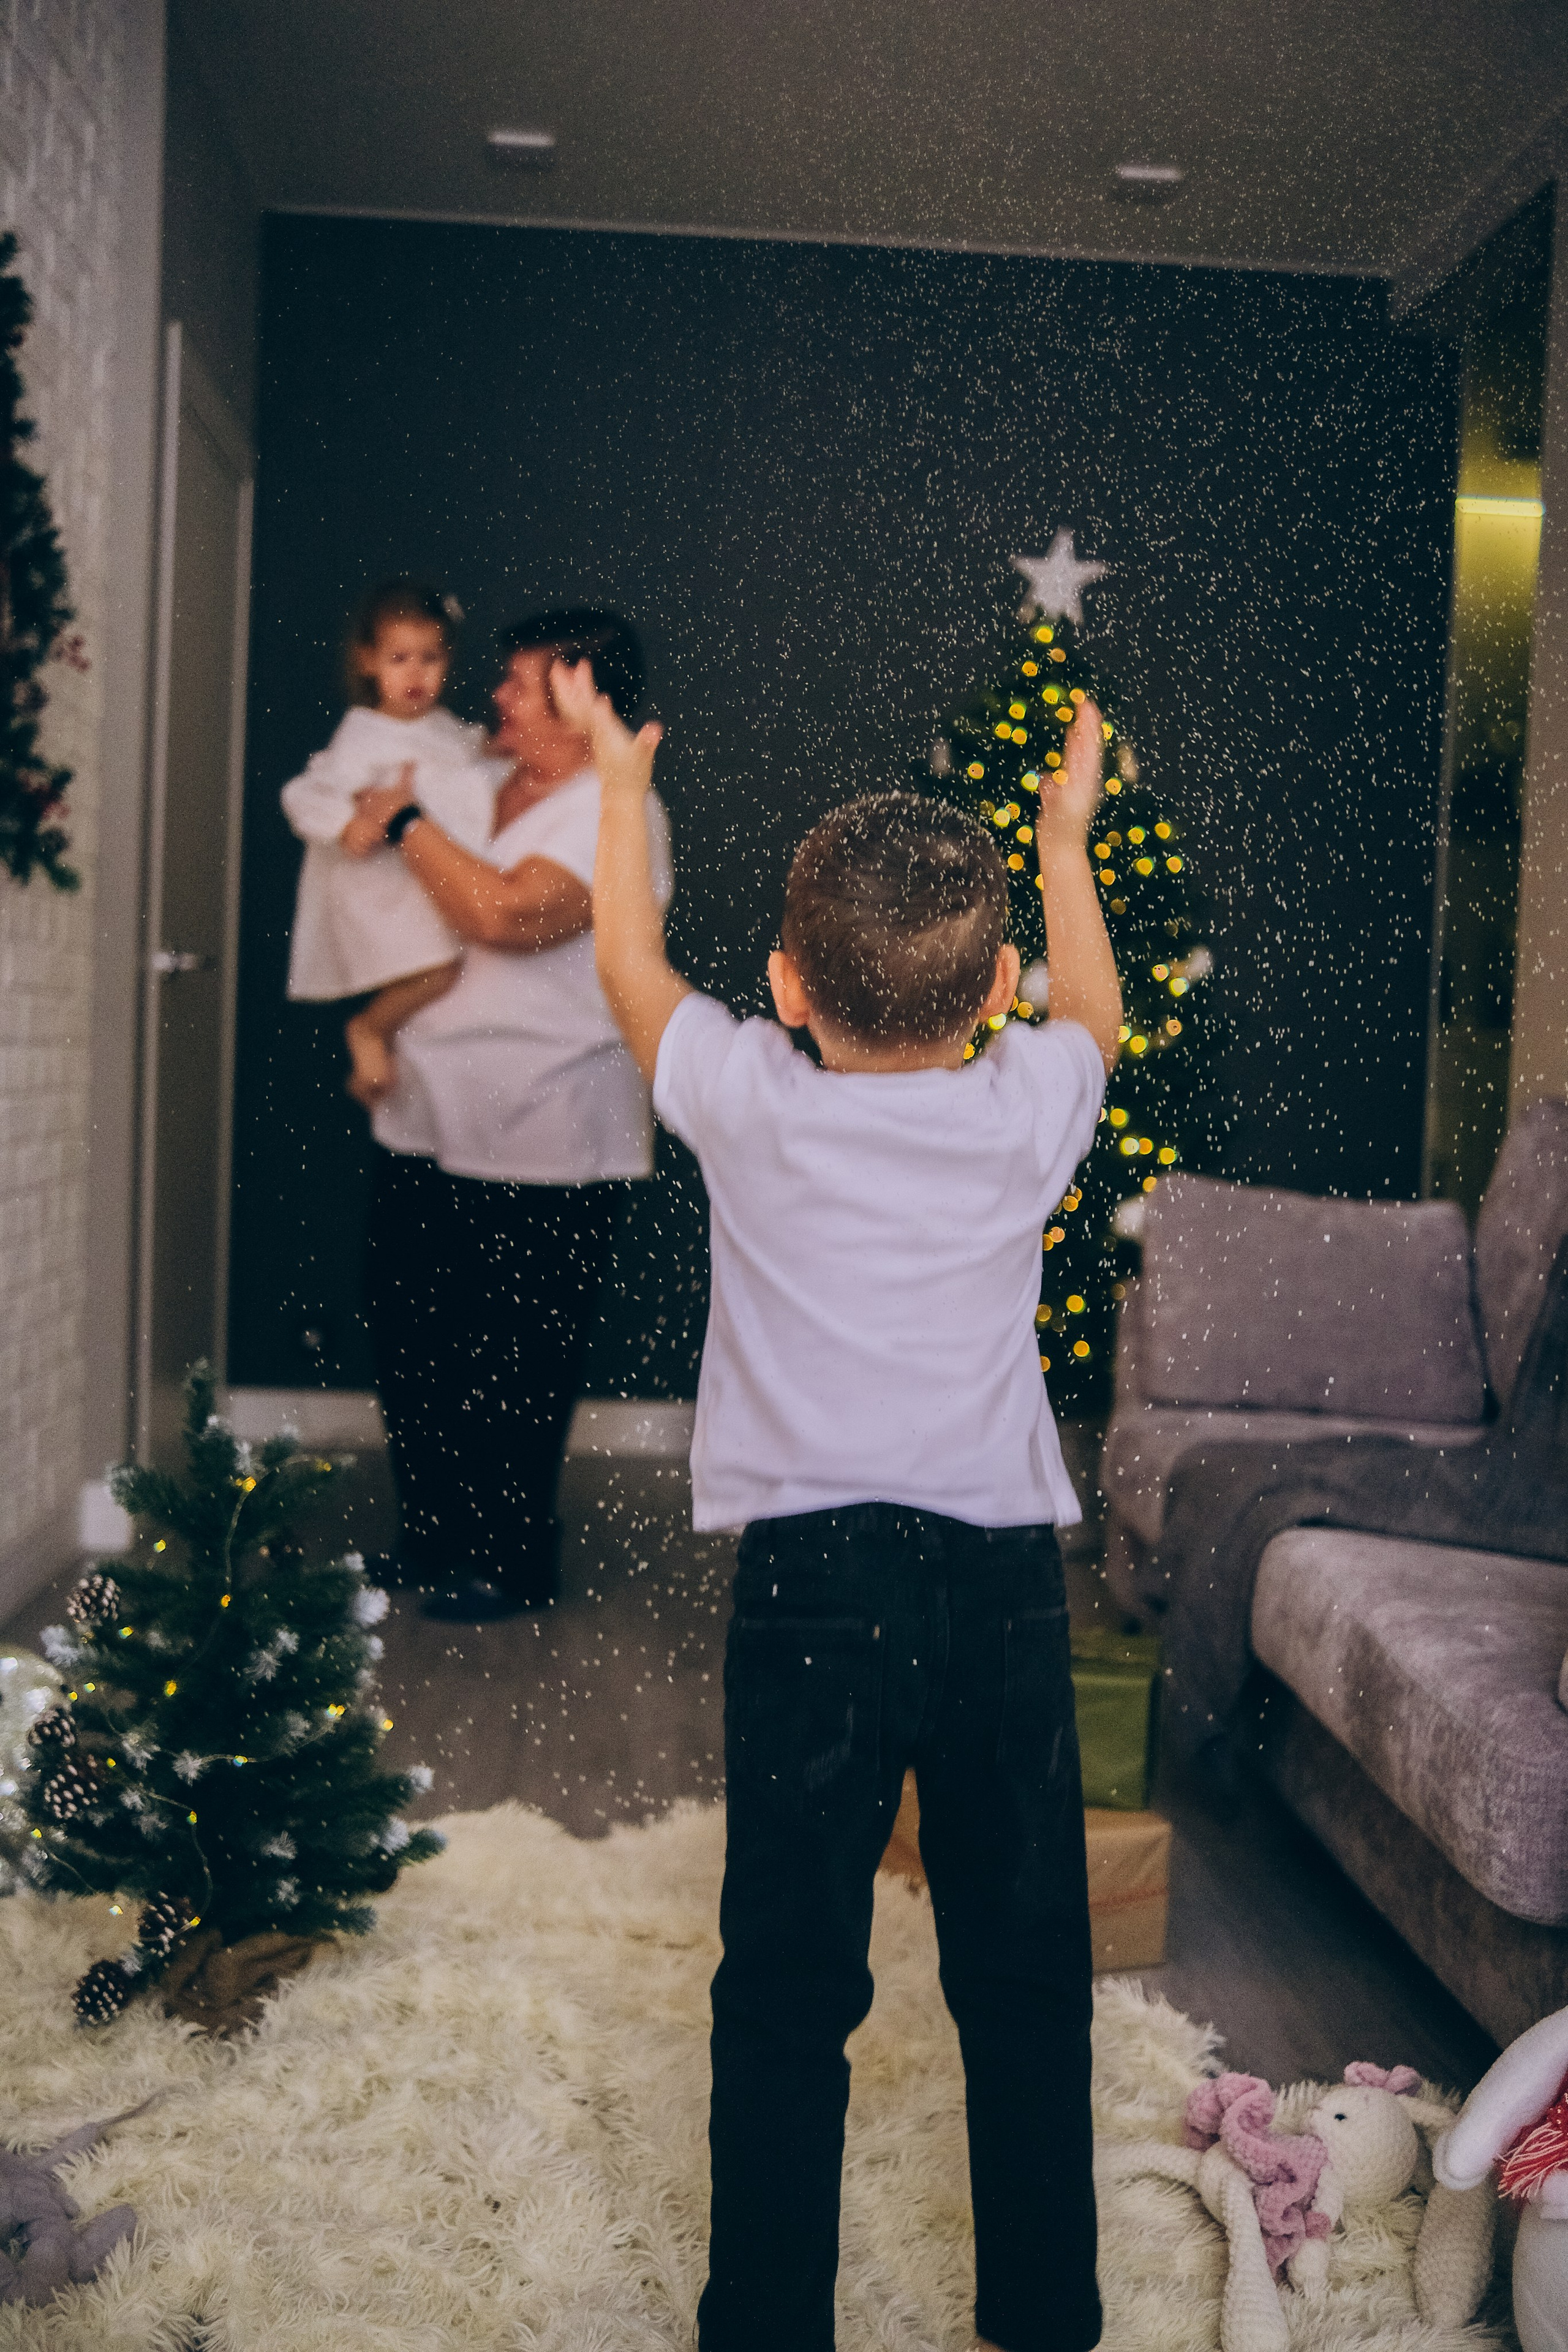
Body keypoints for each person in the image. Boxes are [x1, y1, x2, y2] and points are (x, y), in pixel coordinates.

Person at [560, 650, 1120, 2352]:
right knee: (1025, 1979)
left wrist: (619, 788)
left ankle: (765, 2327)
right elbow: (1096, 1017)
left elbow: (624, 964)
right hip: (1003, 1595)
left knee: (788, 1986)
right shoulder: (1033, 1100)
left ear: (789, 988)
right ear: (995, 984)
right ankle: (1045, 2317)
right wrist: (1069, 831)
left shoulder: (749, 1101)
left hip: (811, 1597)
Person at [348, 611, 673, 1623]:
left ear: (583, 702)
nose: (494, 696)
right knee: (416, 1344)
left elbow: (502, 915)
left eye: (521, 684)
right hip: (426, 1113)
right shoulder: (477, 783)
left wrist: (405, 826)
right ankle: (433, 1536)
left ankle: (512, 1557)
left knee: (517, 1360)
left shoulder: (621, 813)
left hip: (551, 1128)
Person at [279, 579, 499, 1106]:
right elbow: (303, 793)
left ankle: (391, 1059)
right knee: (440, 969)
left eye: (430, 658)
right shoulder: (364, 733)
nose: (416, 673)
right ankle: (368, 1030)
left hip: (416, 879)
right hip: (377, 884)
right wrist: (344, 824)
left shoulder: (443, 726)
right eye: (399, 658)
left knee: (455, 971)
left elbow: (468, 753)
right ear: (368, 662)